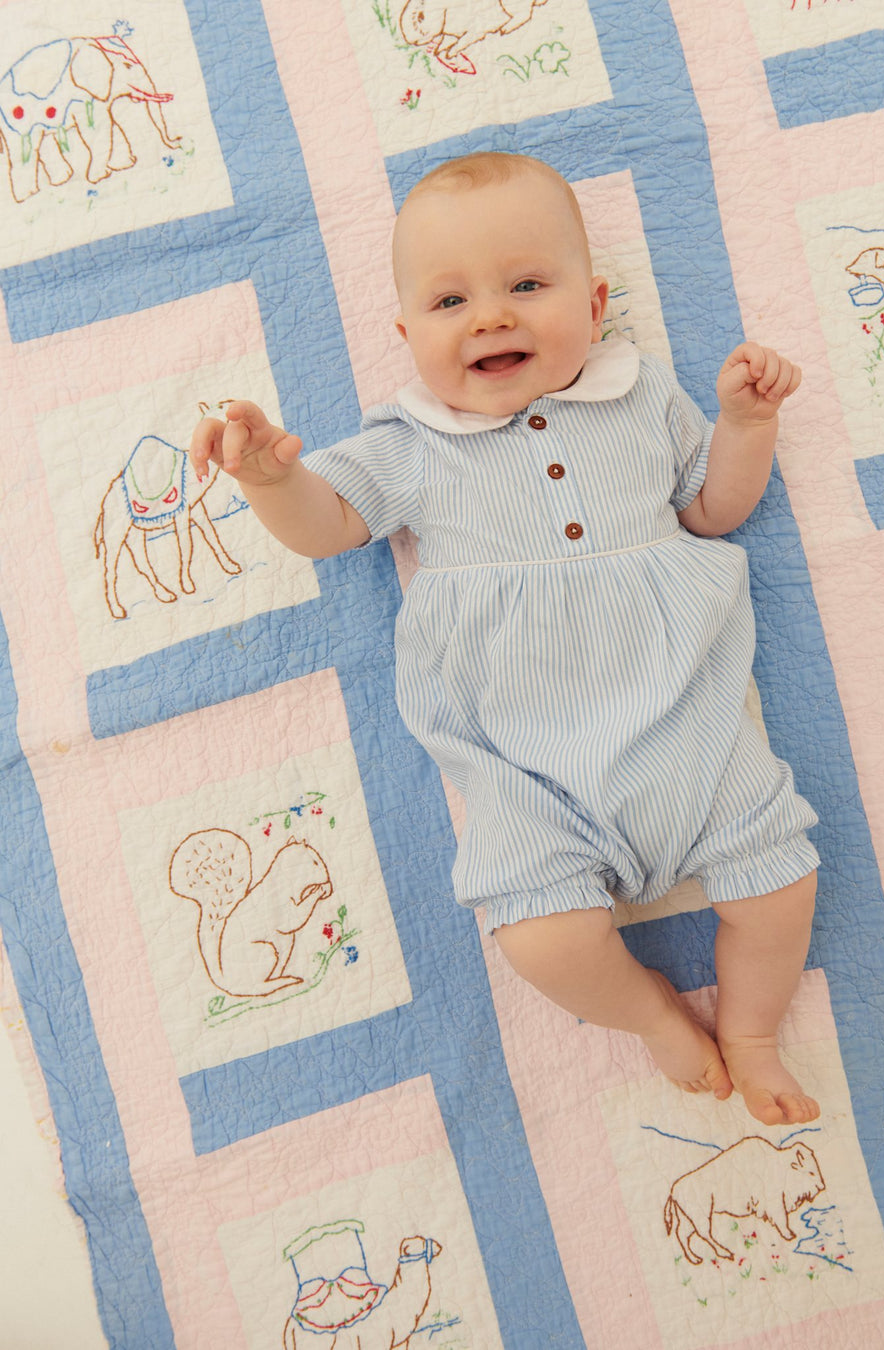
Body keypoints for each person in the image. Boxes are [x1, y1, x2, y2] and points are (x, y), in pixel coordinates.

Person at [190, 152, 821, 1125]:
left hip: (690, 731)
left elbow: (712, 510)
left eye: (528, 286)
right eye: (450, 302)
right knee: (541, 940)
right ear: (406, 335)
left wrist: (746, 422)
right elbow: (332, 528)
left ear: (596, 302)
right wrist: (274, 483)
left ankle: (751, 1032)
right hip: (529, 769)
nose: (491, 316)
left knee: (782, 884)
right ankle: (650, 1014)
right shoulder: (409, 441)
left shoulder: (637, 394)